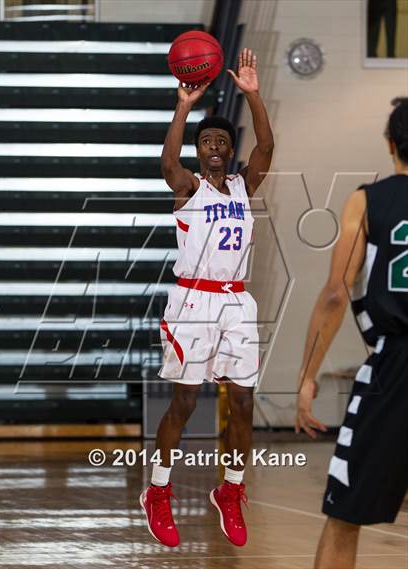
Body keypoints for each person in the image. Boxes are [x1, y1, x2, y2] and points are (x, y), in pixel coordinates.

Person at [140, 48, 274, 548]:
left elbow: (267, 146)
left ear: (229, 148)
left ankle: (231, 491)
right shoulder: (188, 187)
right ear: (200, 151)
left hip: (237, 302)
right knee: (186, 400)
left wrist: (254, 96)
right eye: (207, 141)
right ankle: (158, 491)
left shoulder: (243, 185)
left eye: (221, 140)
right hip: (193, 302)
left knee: (242, 401)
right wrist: (183, 106)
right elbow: (167, 161)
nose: (214, 146)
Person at [295, 97, 408, 569]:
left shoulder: (367, 201)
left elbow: (336, 294)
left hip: (394, 368)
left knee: (345, 516)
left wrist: (307, 376)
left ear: (390, 145)